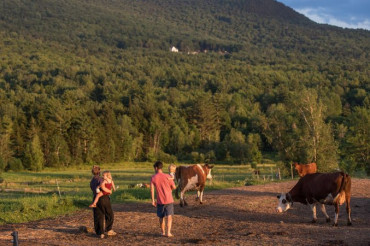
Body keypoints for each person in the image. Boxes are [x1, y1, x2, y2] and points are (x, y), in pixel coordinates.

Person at [150, 161, 176, 237]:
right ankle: (168, 232)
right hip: (169, 199)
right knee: (169, 216)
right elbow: (174, 187)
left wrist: (152, 200)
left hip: (160, 200)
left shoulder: (153, 177)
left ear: (156, 168)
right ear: (161, 168)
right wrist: (169, 189)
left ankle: (163, 232)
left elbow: (152, 189)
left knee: (161, 217)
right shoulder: (168, 176)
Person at [90, 165, 116, 239]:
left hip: (95, 197)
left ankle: (100, 233)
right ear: (99, 171)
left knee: (98, 215)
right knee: (109, 214)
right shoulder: (101, 179)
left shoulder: (92, 180)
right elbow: (103, 187)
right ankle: (109, 230)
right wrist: (109, 191)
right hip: (104, 198)